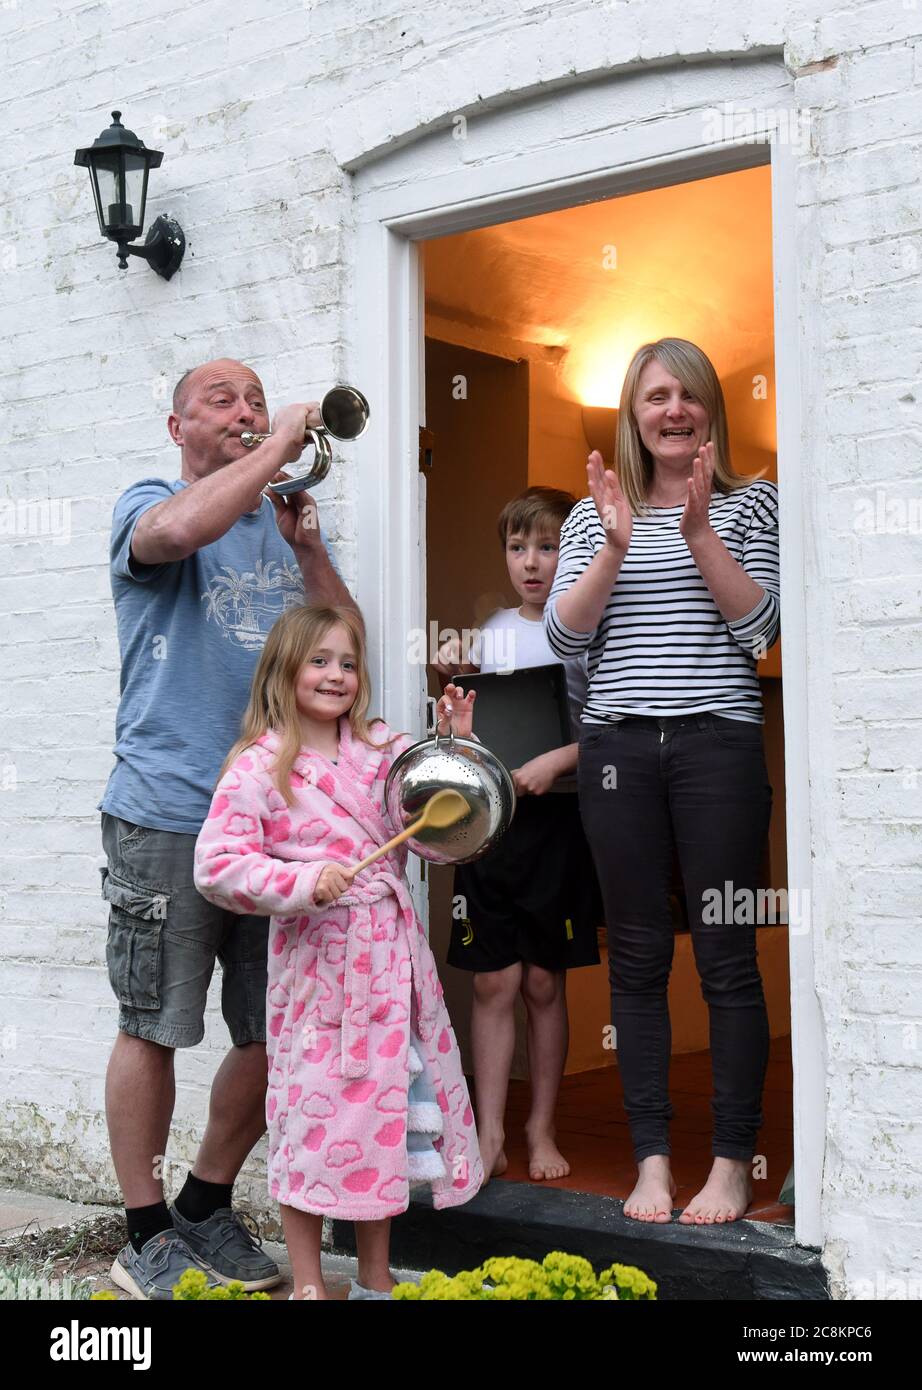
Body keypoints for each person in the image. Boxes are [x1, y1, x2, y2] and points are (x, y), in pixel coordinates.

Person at [99, 359, 361, 1299]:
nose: (248, 415)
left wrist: (307, 545)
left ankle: (207, 1204)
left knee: (268, 1031)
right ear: (178, 427)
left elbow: (345, 640)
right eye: (224, 402)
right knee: (154, 1025)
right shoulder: (152, 499)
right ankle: (143, 1233)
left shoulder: (276, 524)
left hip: (275, 823)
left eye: (257, 402)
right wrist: (278, 448)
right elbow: (175, 531)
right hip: (166, 809)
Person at [545, 338, 779, 1226]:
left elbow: (759, 629)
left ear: (711, 409)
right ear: (633, 413)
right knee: (637, 959)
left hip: (720, 747)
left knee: (728, 958)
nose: (672, 409)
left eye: (688, 394)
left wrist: (697, 532)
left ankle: (729, 1164)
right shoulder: (586, 516)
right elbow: (567, 642)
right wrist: (614, 544)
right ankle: (651, 1162)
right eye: (655, 396)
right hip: (618, 753)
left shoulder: (752, 503)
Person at [193, 603, 484, 1300]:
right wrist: (298, 881)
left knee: (381, 1124)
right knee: (309, 1117)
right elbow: (215, 865)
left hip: (388, 968)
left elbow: (435, 835)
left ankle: (376, 1280)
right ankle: (309, 1284)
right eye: (319, 661)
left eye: (348, 663)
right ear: (284, 669)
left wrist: (456, 753)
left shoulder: (383, 750)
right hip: (318, 976)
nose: (336, 675)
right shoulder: (260, 765)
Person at [433, 487, 601, 1184]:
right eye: (517, 547)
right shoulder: (489, 634)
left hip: (561, 821)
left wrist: (559, 762)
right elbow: (460, 736)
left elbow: (612, 730)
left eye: (549, 546)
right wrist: (446, 690)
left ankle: (542, 1126)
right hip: (491, 826)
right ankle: (490, 1128)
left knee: (541, 982)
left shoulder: (590, 627)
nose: (532, 563)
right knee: (495, 981)